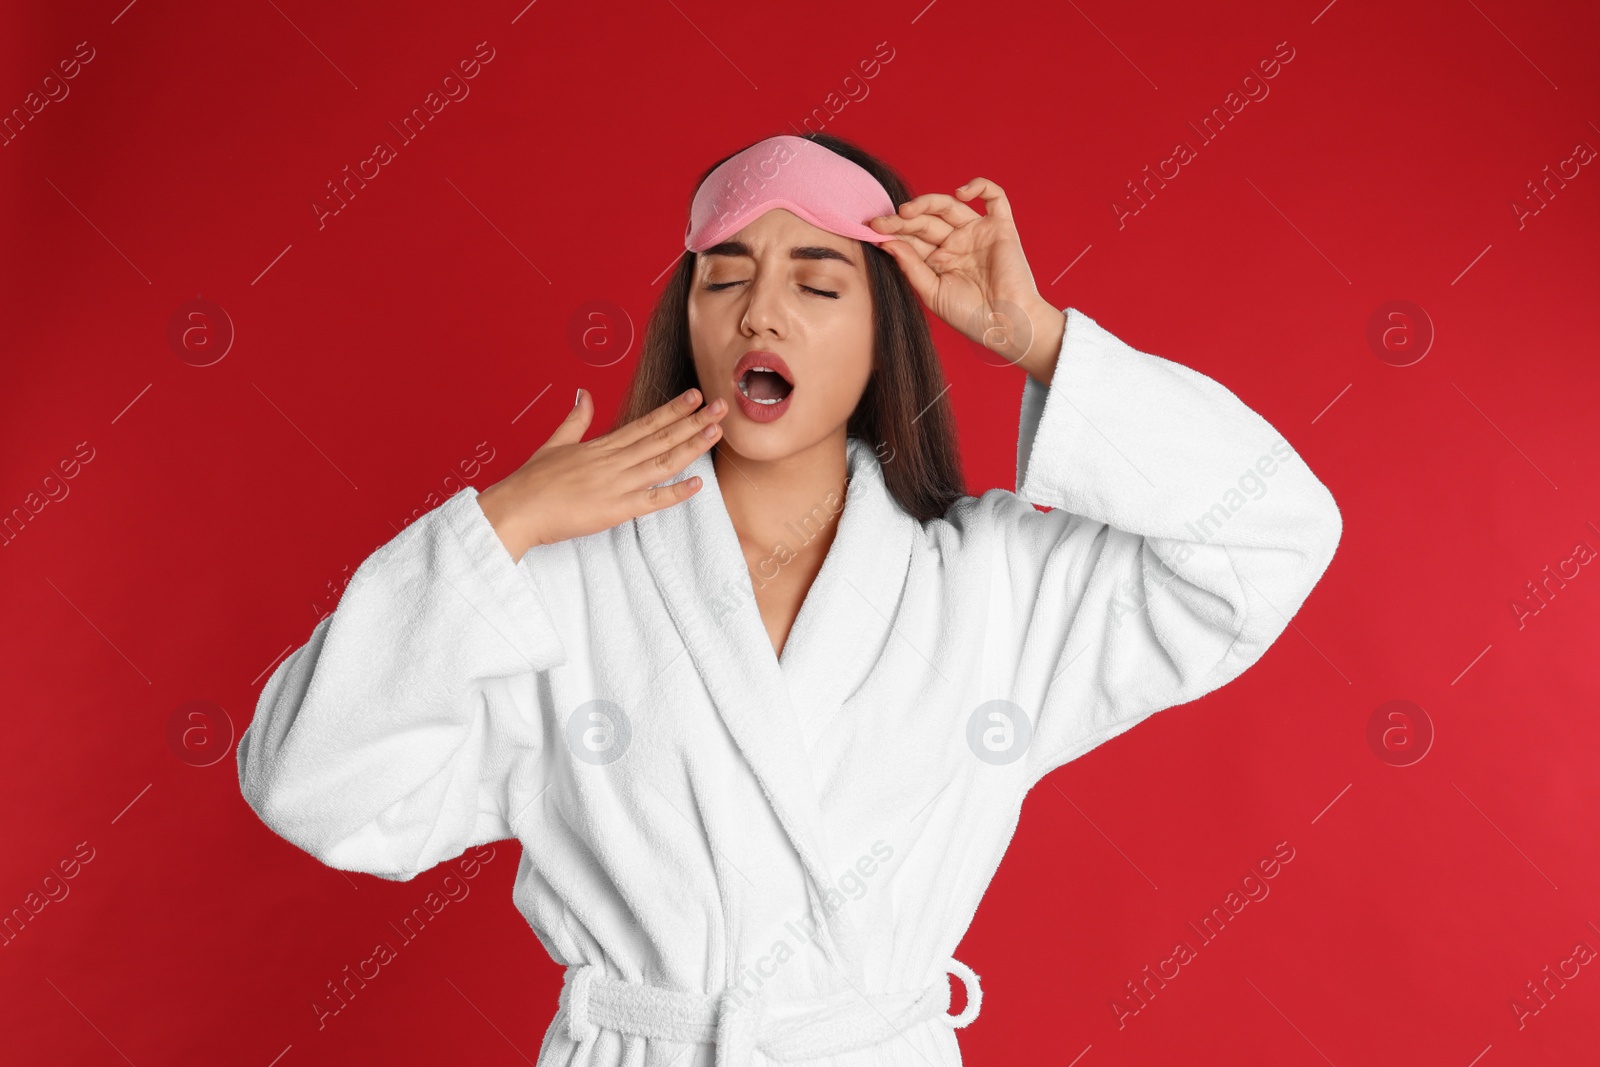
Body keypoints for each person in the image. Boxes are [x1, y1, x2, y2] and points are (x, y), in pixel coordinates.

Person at [236, 132, 1343, 1067]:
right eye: (725, 278)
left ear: (884, 335)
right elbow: (311, 784)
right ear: (692, 321)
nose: (761, 312)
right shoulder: (559, 581)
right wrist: (498, 528)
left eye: (817, 283)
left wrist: (1040, 340)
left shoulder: (994, 584)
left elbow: (1269, 531)